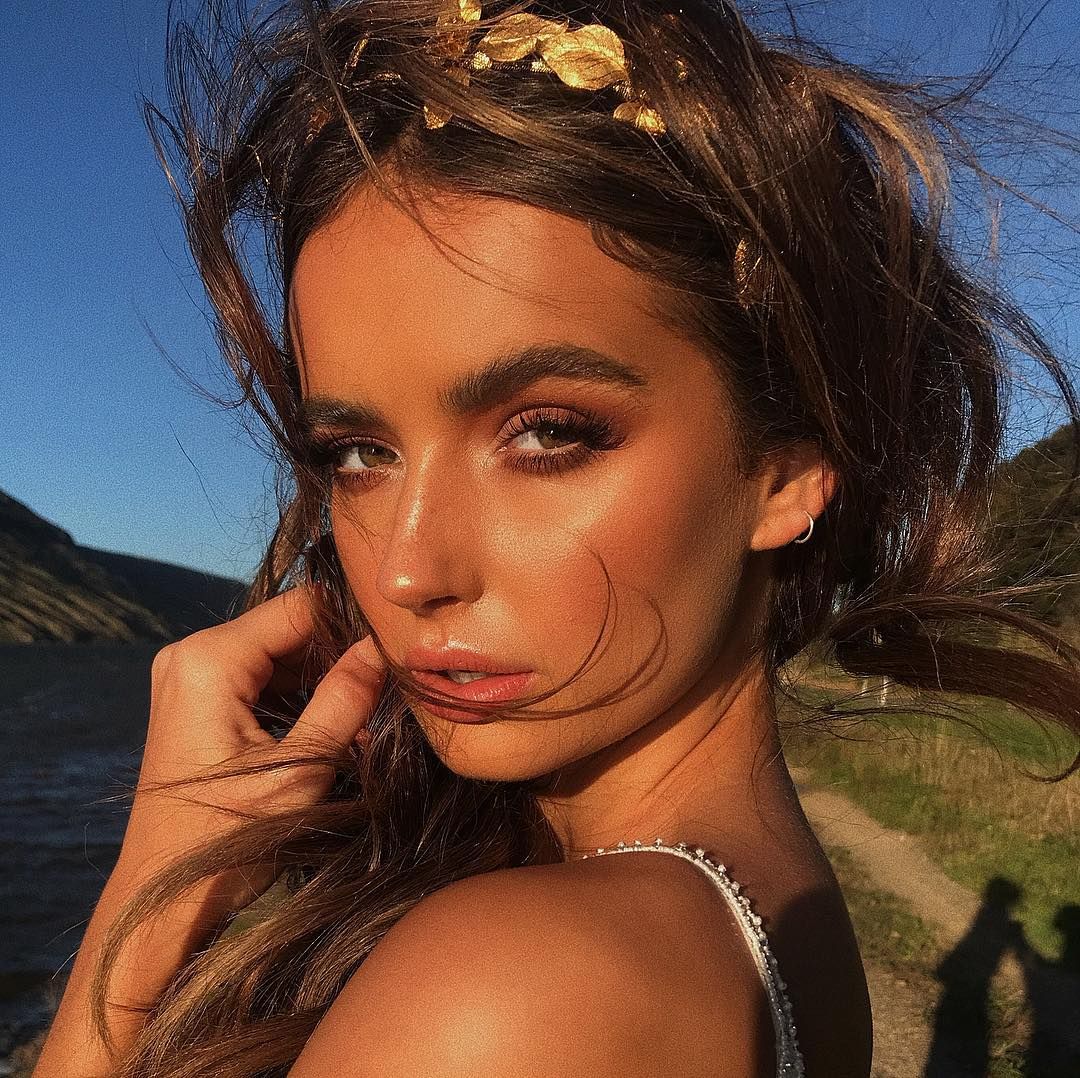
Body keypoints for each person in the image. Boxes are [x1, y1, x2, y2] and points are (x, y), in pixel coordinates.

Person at [31, 1, 1080, 1075]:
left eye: (547, 434)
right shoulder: (758, 912)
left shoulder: (517, 987)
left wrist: (150, 903)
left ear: (786, 471)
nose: (406, 569)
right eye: (358, 452)